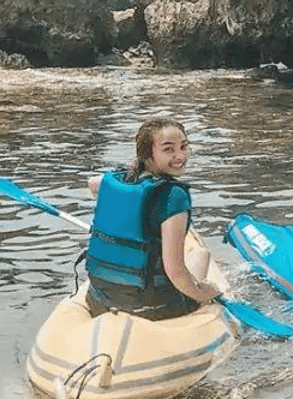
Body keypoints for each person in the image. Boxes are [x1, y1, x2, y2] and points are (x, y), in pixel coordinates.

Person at [83, 117, 223, 320]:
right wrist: (206, 294)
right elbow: (175, 272)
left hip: (99, 299)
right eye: (168, 149)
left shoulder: (112, 180)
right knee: (201, 255)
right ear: (148, 154)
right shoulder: (174, 196)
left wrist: (133, 173)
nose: (180, 156)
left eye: (183, 147)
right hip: (152, 306)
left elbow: (92, 183)